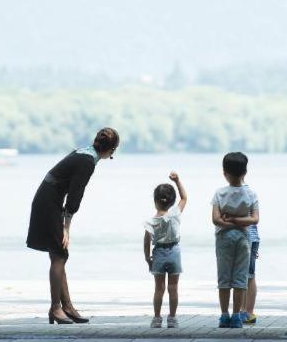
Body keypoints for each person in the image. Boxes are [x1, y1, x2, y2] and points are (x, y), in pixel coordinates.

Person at [26, 127, 120, 324]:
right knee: (60, 253)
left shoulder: (83, 151)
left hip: (47, 198)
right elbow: (76, 195)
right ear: (111, 150)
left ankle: (67, 306)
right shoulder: (87, 162)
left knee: (59, 253)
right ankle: (55, 308)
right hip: (49, 201)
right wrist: (66, 226)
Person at [211, 151, 259, 329]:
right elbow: (254, 220)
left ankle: (224, 315)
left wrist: (228, 220)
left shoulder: (219, 193)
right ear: (245, 172)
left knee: (224, 277)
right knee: (240, 278)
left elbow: (216, 219)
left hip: (223, 239)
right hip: (244, 239)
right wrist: (239, 222)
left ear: (225, 173)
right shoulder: (251, 194)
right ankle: (237, 316)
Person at [143, 171, 187, 328]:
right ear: (171, 201)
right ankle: (172, 318)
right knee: (173, 288)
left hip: (159, 253)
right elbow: (184, 198)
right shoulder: (175, 214)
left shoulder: (151, 222)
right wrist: (177, 180)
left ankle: (156, 318)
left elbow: (147, 242)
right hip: (174, 252)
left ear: (155, 201)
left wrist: (148, 258)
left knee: (159, 288)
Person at [243, 217, 261, 324]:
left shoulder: (250, 199)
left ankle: (248, 312)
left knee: (249, 276)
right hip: (247, 237)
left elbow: (254, 218)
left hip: (249, 237)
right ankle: (244, 311)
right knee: (246, 276)